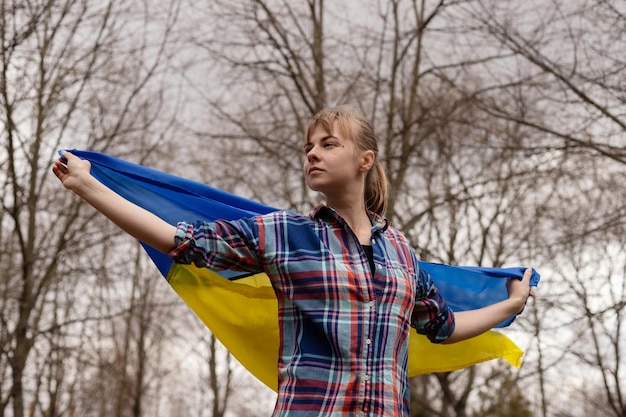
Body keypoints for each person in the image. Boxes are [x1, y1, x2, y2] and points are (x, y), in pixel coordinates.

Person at [52, 105, 533, 416]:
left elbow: (444, 326)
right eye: (308, 147)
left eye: (328, 144)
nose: (312, 154)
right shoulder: (283, 234)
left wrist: (510, 307)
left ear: (365, 160)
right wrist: (88, 186)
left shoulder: (401, 252)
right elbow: (181, 240)